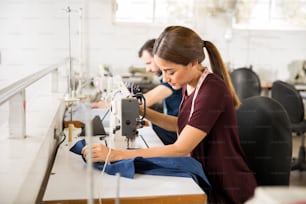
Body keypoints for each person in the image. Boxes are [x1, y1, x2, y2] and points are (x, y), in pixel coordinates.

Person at [82, 26, 257, 203]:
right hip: (203, 174)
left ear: (193, 62)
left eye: (170, 71)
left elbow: (181, 147)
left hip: (225, 185)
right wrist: (143, 111)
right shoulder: (189, 84)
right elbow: (183, 125)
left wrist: (116, 154)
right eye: (163, 71)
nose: (165, 78)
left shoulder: (211, 90)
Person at [138, 39, 182, 145]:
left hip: (176, 131)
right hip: (174, 126)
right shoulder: (167, 79)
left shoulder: (174, 80)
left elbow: (145, 100)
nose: (147, 69)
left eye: (149, 63)